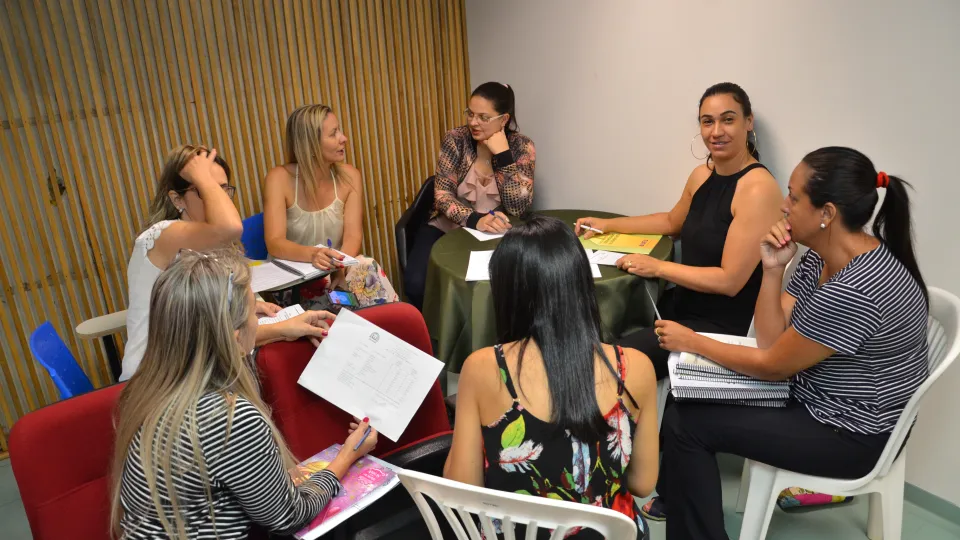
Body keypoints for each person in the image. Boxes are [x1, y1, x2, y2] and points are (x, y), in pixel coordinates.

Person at [650, 147, 929, 540]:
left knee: (687, 425)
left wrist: (693, 341)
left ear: (826, 213)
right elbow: (771, 338)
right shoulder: (821, 255)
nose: (784, 206)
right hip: (814, 393)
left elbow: (771, 364)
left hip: (851, 433)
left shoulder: (856, 289)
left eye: (794, 197)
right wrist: (772, 270)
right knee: (685, 399)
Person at [110, 248, 379, 538]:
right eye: (254, 311)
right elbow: (289, 516)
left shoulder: (146, 391)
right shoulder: (229, 418)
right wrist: (347, 455)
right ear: (235, 336)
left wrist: (281, 329)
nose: (260, 321)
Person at [443, 216, 658, 539]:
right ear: (582, 283)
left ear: (507, 293)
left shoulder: (483, 368)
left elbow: (464, 489)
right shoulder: (636, 367)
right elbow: (643, 482)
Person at [575, 82, 782, 381]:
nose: (716, 131)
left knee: (608, 361)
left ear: (748, 122)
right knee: (597, 322)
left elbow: (730, 281)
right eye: (707, 121)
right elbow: (672, 222)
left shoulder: (758, 188)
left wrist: (659, 267)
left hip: (720, 325)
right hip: (683, 304)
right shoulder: (702, 174)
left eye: (728, 119)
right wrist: (607, 224)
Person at [120, 145, 333, 381]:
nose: (219, 199)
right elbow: (210, 341)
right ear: (177, 199)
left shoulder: (212, 243)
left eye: (224, 189)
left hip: (203, 372)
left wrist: (247, 305)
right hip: (160, 380)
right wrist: (282, 328)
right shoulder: (164, 235)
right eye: (206, 190)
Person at [403, 82, 536, 310]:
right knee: (416, 283)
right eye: (470, 114)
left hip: (497, 232)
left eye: (483, 117)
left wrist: (503, 155)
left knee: (496, 289)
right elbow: (442, 195)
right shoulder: (456, 139)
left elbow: (518, 207)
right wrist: (475, 220)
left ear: (504, 120)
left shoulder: (522, 147)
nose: (473, 122)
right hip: (448, 226)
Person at [263, 104, 398, 308]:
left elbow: (353, 236)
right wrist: (313, 255)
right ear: (310, 144)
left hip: (335, 269)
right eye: (333, 134)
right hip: (293, 279)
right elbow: (274, 242)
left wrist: (339, 269)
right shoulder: (279, 179)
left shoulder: (350, 176)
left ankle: (395, 331)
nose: (343, 138)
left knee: (367, 266)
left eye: (339, 131)